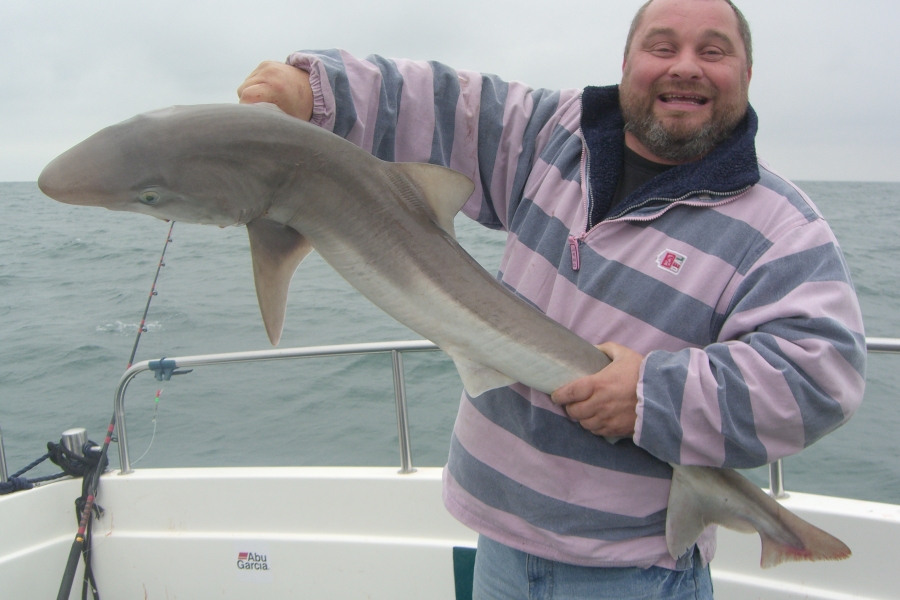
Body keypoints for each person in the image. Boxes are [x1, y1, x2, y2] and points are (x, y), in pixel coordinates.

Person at [237, 0, 866, 597]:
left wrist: (654, 395)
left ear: (747, 74)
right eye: (661, 46)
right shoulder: (555, 135)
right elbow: (447, 104)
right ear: (626, 64)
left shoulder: (781, 227)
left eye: (713, 51)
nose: (684, 66)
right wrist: (319, 92)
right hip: (499, 542)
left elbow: (823, 375)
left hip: (632, 573)